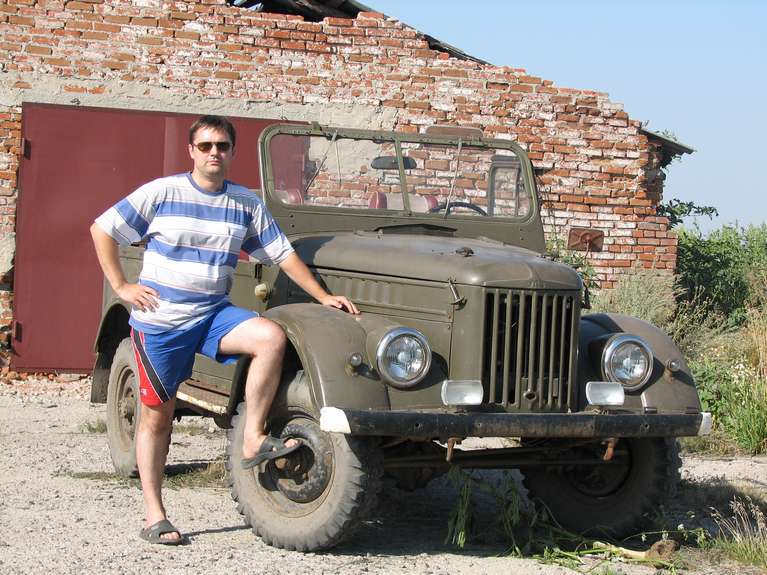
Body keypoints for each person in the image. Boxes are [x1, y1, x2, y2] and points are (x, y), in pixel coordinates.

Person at [90, 115, 359, 545]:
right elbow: (102, 229)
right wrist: (122, 286)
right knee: (158, 417)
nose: (214, 153)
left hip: (213, 314)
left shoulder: (244, 203)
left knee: (270, 337)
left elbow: (281, 254)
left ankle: (251, 437)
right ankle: (155, 514)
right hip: (162, 322)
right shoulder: (162, 192)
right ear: (192, 151)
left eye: (222, 146)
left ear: (232, 151)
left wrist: (322, 295)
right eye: (205, 146)